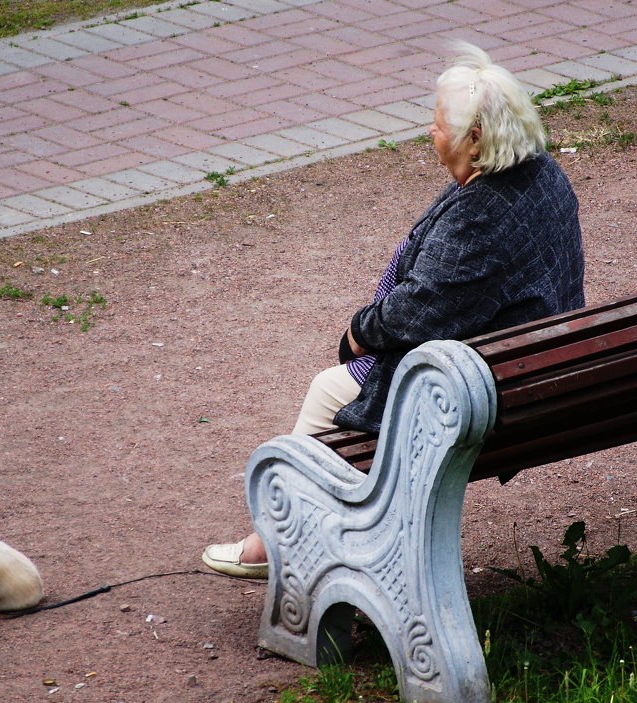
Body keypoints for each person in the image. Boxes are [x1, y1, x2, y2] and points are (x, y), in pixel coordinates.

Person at [202, 41, 586, 579]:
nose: (429, 134)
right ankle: (299, 532)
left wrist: (358, 333)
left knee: (328, 390)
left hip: (482, 394)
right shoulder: (543, 173)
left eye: (437, 125)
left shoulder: (481, 214)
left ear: (475, 138)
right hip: (542, 367)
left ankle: (279, 539)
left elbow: (421, 311)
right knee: (343, 386)